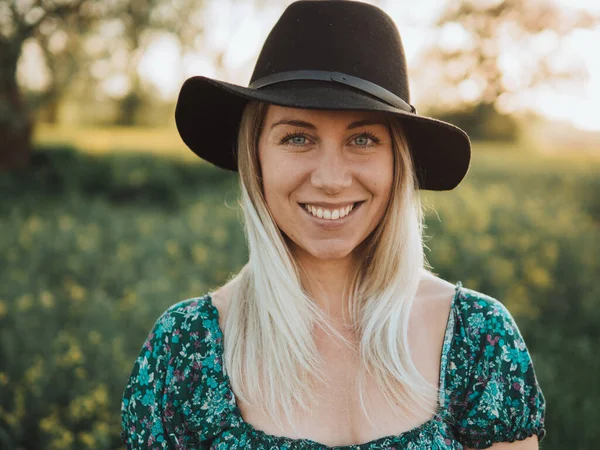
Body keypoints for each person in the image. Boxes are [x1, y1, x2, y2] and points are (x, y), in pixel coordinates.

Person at [120, 1, 546, 449]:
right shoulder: (183, 347)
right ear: (255, 156)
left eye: (362, 139)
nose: (330, 179)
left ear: (397, 163)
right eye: (297, 138)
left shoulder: (480, 338)